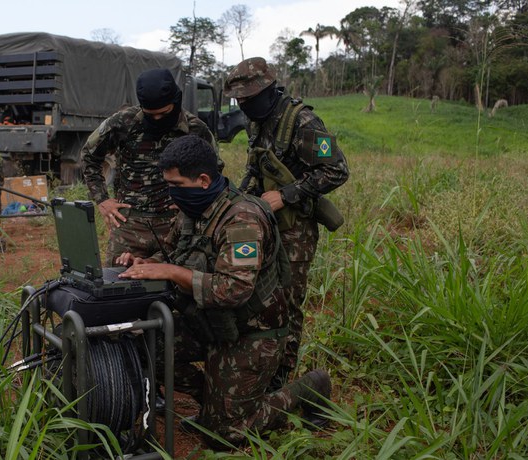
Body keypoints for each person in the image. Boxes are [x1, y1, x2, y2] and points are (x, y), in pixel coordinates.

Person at [116, 135, 331, 445]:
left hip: (251, 332)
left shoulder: (242, 219)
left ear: (203, 180)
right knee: (144, 348)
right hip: (209, 322)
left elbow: (234, 290)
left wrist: (172, 272)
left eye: (176, 185)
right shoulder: (192, 211)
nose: (171, 194)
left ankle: (309, 389)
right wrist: (145, 262)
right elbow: (174, 256)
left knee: (225, 436)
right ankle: (218, 401)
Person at [224, 57, 350, 387]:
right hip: (265, 224)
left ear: (268, 90)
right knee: (260, 296)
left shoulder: (304, 122)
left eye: (248, 99)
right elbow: (256, 168)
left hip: (296, 230)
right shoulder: (257, 122)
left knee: (289, 303)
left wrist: (286, 194)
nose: (243, 107)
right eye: (239, 101)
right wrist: (238, 201)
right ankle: (260, 365)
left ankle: (281, 380)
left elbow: (337, 170)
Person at [81, 68, 218, 266]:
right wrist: (102, 200)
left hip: (177, 225)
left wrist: (193, 202)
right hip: (129, 226)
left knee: (176, 285)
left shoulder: (196, 129)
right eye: (150, 115)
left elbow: (214, 171)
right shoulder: (123, 122)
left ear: (175, 101)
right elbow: (89, 156)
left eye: (164, 114)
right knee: (116, 285)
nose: (157, 120)